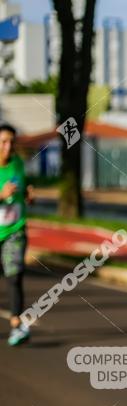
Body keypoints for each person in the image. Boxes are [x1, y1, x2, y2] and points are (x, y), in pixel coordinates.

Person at [0, 123, 30, 346]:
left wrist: (29, 194)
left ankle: (16, 325)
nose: (8, 146)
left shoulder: (18, 164)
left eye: (11, 142)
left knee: (14, 275)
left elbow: (23, 186)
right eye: (3, 142)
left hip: (14, 230)